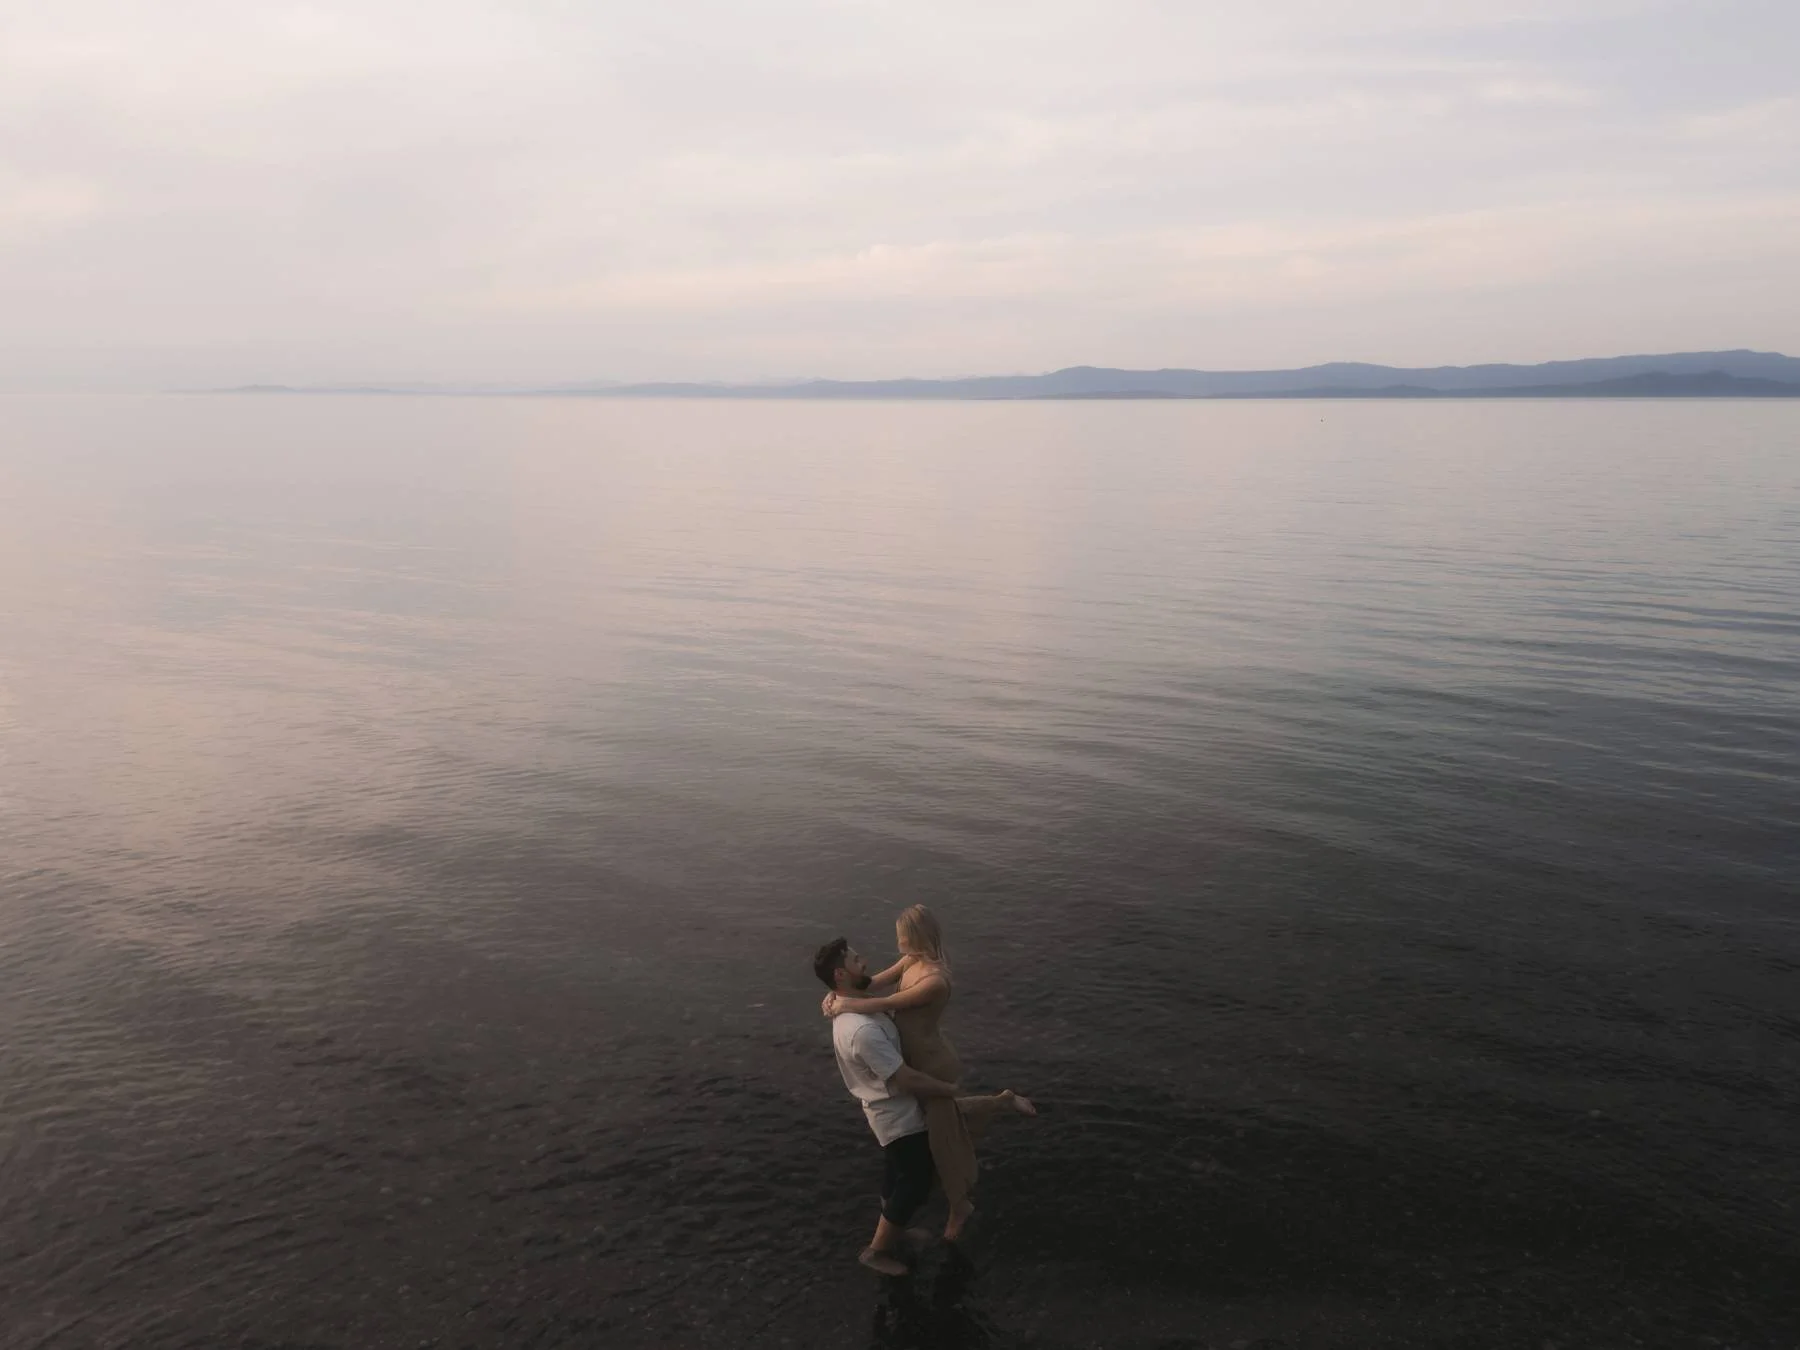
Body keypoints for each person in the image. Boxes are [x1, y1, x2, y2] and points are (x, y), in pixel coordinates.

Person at [823, 905, 1035, 1241]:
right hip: (914, 1057)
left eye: (902, 938)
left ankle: (959, 1205)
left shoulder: (934, 980)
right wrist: (837, 994)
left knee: (942, 1139)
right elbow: (871, 984)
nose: (898, 944)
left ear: (916, 938)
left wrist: (845, 1004)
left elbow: (882, 1004)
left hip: (931, 1061)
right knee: (945, 1122)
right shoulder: (910, 960)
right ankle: (1002, 1102)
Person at [814, 937, 961, 1276]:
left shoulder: (852, 1001)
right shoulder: (861, 1029)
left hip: (888, 1112)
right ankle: (876, 1251)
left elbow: (889, 977)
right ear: (840, 974)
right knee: (916, 1181)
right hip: (897, 1116)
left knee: (896, 1173)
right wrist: (946, 1089)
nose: (863, 960)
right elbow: (904, 1078)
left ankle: (895, 1230)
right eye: (854, 959)